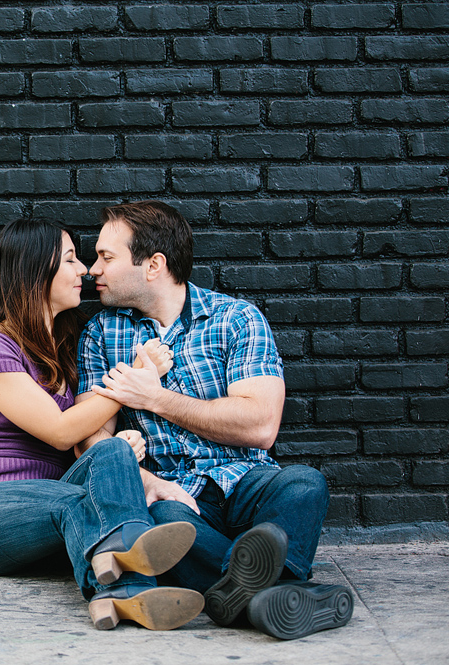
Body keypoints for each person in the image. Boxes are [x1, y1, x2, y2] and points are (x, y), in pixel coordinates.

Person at [82, 201, 352, 640]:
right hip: (174, 492)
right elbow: (90, 439)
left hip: (247, 481)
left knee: (303, 484)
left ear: (154, 265)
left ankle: (239, 593)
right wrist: (148, 483)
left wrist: (156, 398)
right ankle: (278, 595)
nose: (94, 269)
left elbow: (261, 426)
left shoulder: (235, 319)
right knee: (165, 529)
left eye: (106, 257)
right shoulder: (101, 334)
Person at [0, 218, 205, 631]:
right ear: (36, 269)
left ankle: (120, 598)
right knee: (75, 504)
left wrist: (129, 459)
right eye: (70, 259)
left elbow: (84, 441)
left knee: (111, 452)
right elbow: (61, 430)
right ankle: (137, 576)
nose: (84, 269)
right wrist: (136, 378)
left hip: (56, 505)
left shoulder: (64, 347)